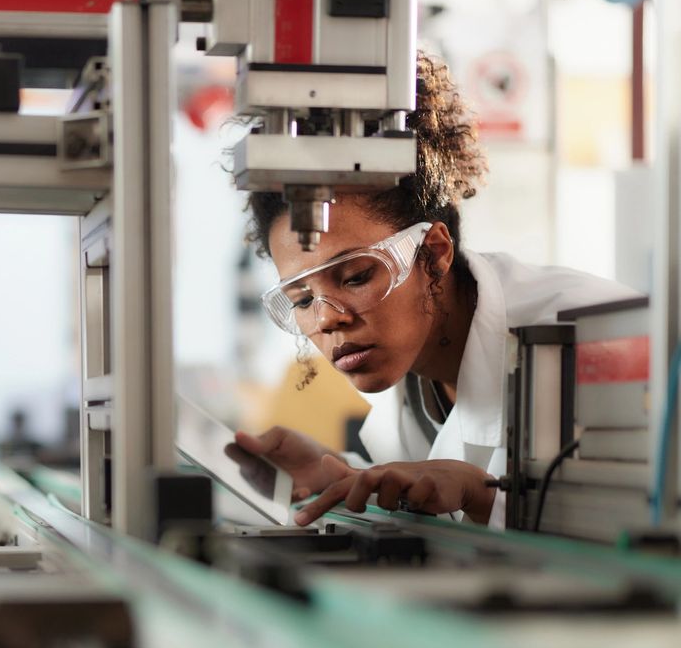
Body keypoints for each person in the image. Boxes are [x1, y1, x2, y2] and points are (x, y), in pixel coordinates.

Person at [234, 53, 637, 528]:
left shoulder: (591, 334)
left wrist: (483, 498)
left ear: (435, 253)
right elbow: (437, 473)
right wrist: (339, 474)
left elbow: (649, 525)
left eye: (357, 276)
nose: (326, 319)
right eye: (301, 301)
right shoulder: (413, 361)